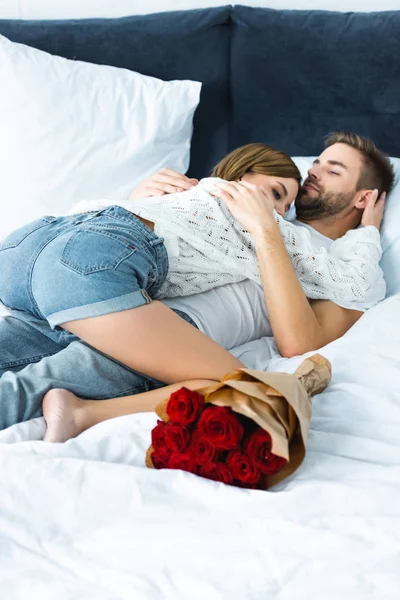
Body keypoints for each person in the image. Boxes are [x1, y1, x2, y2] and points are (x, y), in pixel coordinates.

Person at [0, 133, 393, 434]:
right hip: (113, 279)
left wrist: (368, 234)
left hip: (45, 262)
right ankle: (84, 414)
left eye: (333, 170)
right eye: (318, 163)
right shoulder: (251, 212)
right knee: (249, 390)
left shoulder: (332, 260)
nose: (313, 172)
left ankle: (81, 413)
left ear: (364, 197)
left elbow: (305, 338)